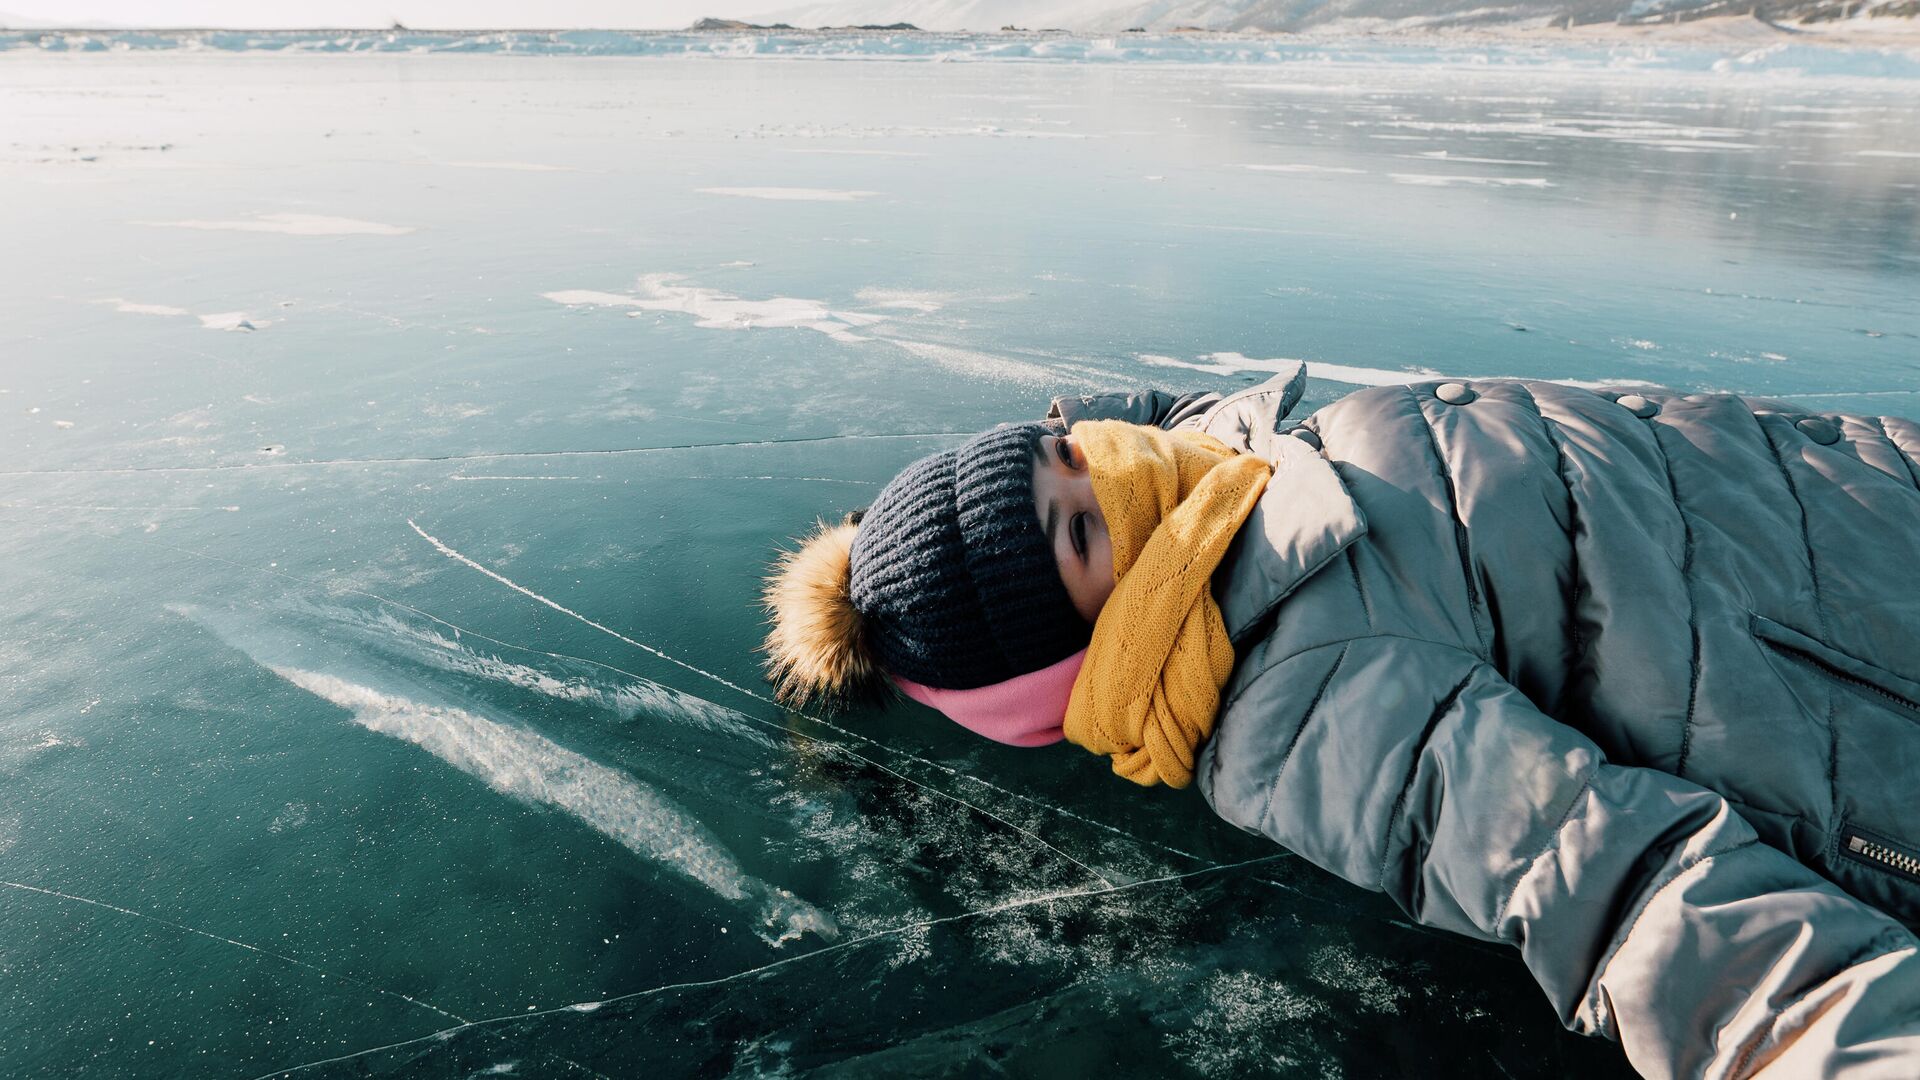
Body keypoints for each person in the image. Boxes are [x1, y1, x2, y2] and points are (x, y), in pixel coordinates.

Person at [760, 364, 1920, 1078]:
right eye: (1081, 531)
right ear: (1100, 645)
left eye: (1065, 458)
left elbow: (1130, 441)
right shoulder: (1302, 710)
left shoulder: (1215, 470)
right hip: (1862, 701)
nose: (1111, 478)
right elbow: (1607, 889)